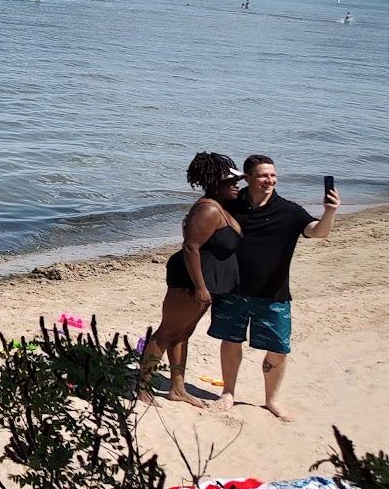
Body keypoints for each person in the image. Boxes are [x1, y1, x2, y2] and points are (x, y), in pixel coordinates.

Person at [210, 155, 340, 421]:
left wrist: (330, 212)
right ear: (247, 178)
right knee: (231, 341)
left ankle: (271, 400)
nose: (269, 180)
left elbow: (317, 232)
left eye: (273, 175)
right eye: (262, 176)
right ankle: (228, 392)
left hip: (274, 293)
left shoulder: (288, 210)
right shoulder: (230, 205)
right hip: (233, 290)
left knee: (279, 348)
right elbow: (203, 224)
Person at [137, 153, 242, 407]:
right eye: (231, 181)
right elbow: (190, 248)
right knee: (166, 333)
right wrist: (200, 287)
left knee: (182, 334)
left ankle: (178, 388)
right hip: (189, 282)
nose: (237, 185)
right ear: (216, 182)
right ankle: (142, 388)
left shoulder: (219, 207)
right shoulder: (208, 209)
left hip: (204, 282)